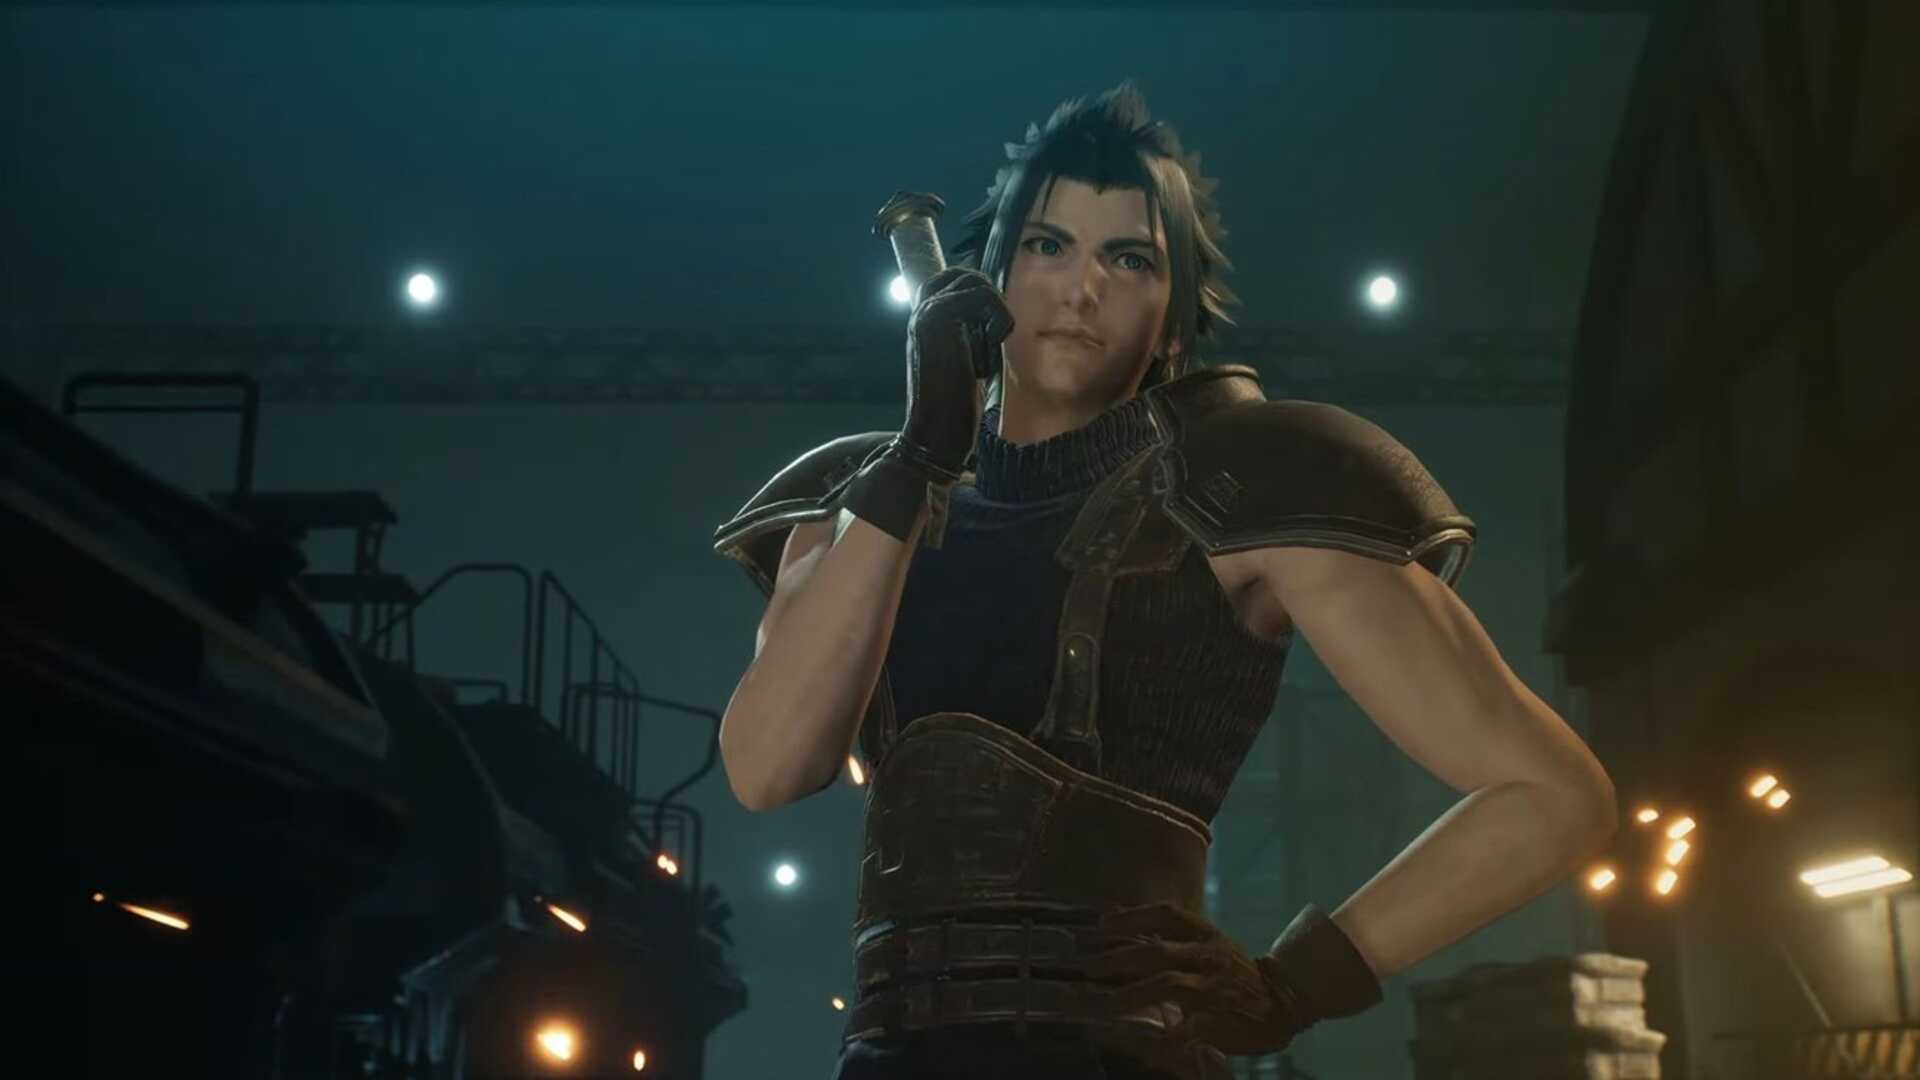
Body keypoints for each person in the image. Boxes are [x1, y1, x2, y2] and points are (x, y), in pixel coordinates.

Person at [713, 83, 1617, 1080]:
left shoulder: (1242, 489)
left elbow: (1553, 794)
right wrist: (920, 454)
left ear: (1176, 321)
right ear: (989, 274)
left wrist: (1291, 988)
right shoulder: (856, 508)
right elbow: (768, 768)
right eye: (1048, 245)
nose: (1080, 288)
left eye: (1129, 258)